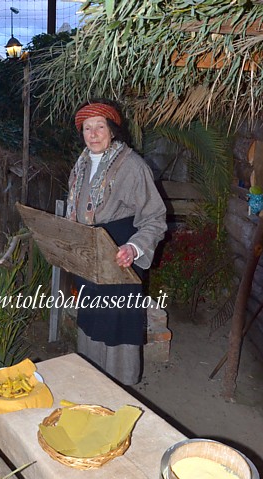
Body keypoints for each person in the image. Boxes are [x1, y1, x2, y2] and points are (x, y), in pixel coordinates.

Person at [66, 99, 167, 385]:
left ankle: (120, 388)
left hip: (120, 259)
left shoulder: (133, 166)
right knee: (92, 320)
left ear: (112, 131)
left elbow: (155, 217)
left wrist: (134, 247)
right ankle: (93, 381)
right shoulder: (81, 165)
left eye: (100, 126)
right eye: (88, 128)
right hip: (90, 258)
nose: (94, 134)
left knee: (117, 323)